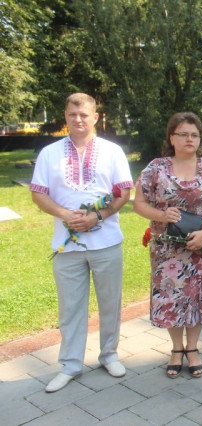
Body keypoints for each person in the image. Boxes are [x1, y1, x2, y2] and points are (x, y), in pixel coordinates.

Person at [30, 93, 133, 392]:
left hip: (106, 241)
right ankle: (71, 364)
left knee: (110, 302)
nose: (78, 119)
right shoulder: (50, 153)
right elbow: (38, 193)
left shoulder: (112, 151)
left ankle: (109, 355)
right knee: (70, 306)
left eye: (84, 114)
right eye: (72, 114)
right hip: (66, 244)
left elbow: (123, 193)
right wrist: (65, 214)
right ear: (65, 115)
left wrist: (97, 216)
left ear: (95, 117)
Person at [134, 112, 202, 379]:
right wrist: (161, 215)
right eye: (184, 134)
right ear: (172, 138)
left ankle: (193, 348)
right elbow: (138, 203)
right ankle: (177, 349)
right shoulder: (156, 168)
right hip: (169, 251)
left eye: (195, 135)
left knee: (198, 296)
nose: (190, 139)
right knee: (172, 297)